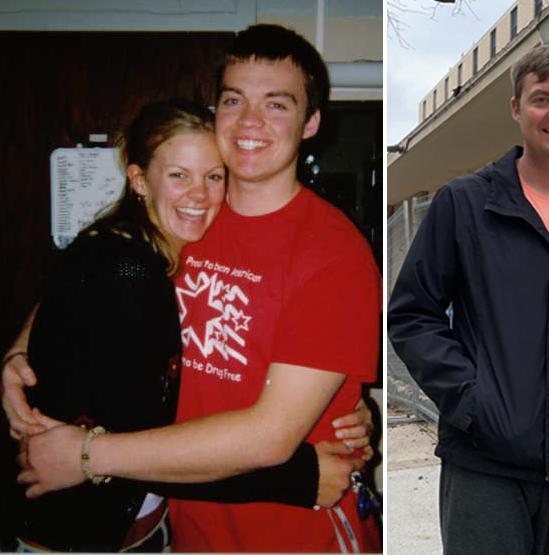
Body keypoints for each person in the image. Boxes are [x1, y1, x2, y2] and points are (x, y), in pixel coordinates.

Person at [9, 24, 381, 553]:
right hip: (179, 526)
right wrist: (20, 354)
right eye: (234, 100)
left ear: (312, 122)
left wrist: (89, 456)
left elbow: (269, 437)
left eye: (277, 105)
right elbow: (87, 281)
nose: (250, 122)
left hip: (291, 531)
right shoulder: (194, 212)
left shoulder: (335, 255)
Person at [389, 43, 549, 554]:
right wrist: (471, 403)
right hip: (484, 462)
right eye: (542, 99)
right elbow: (412, 314)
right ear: (516, 109)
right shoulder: (467, 203)